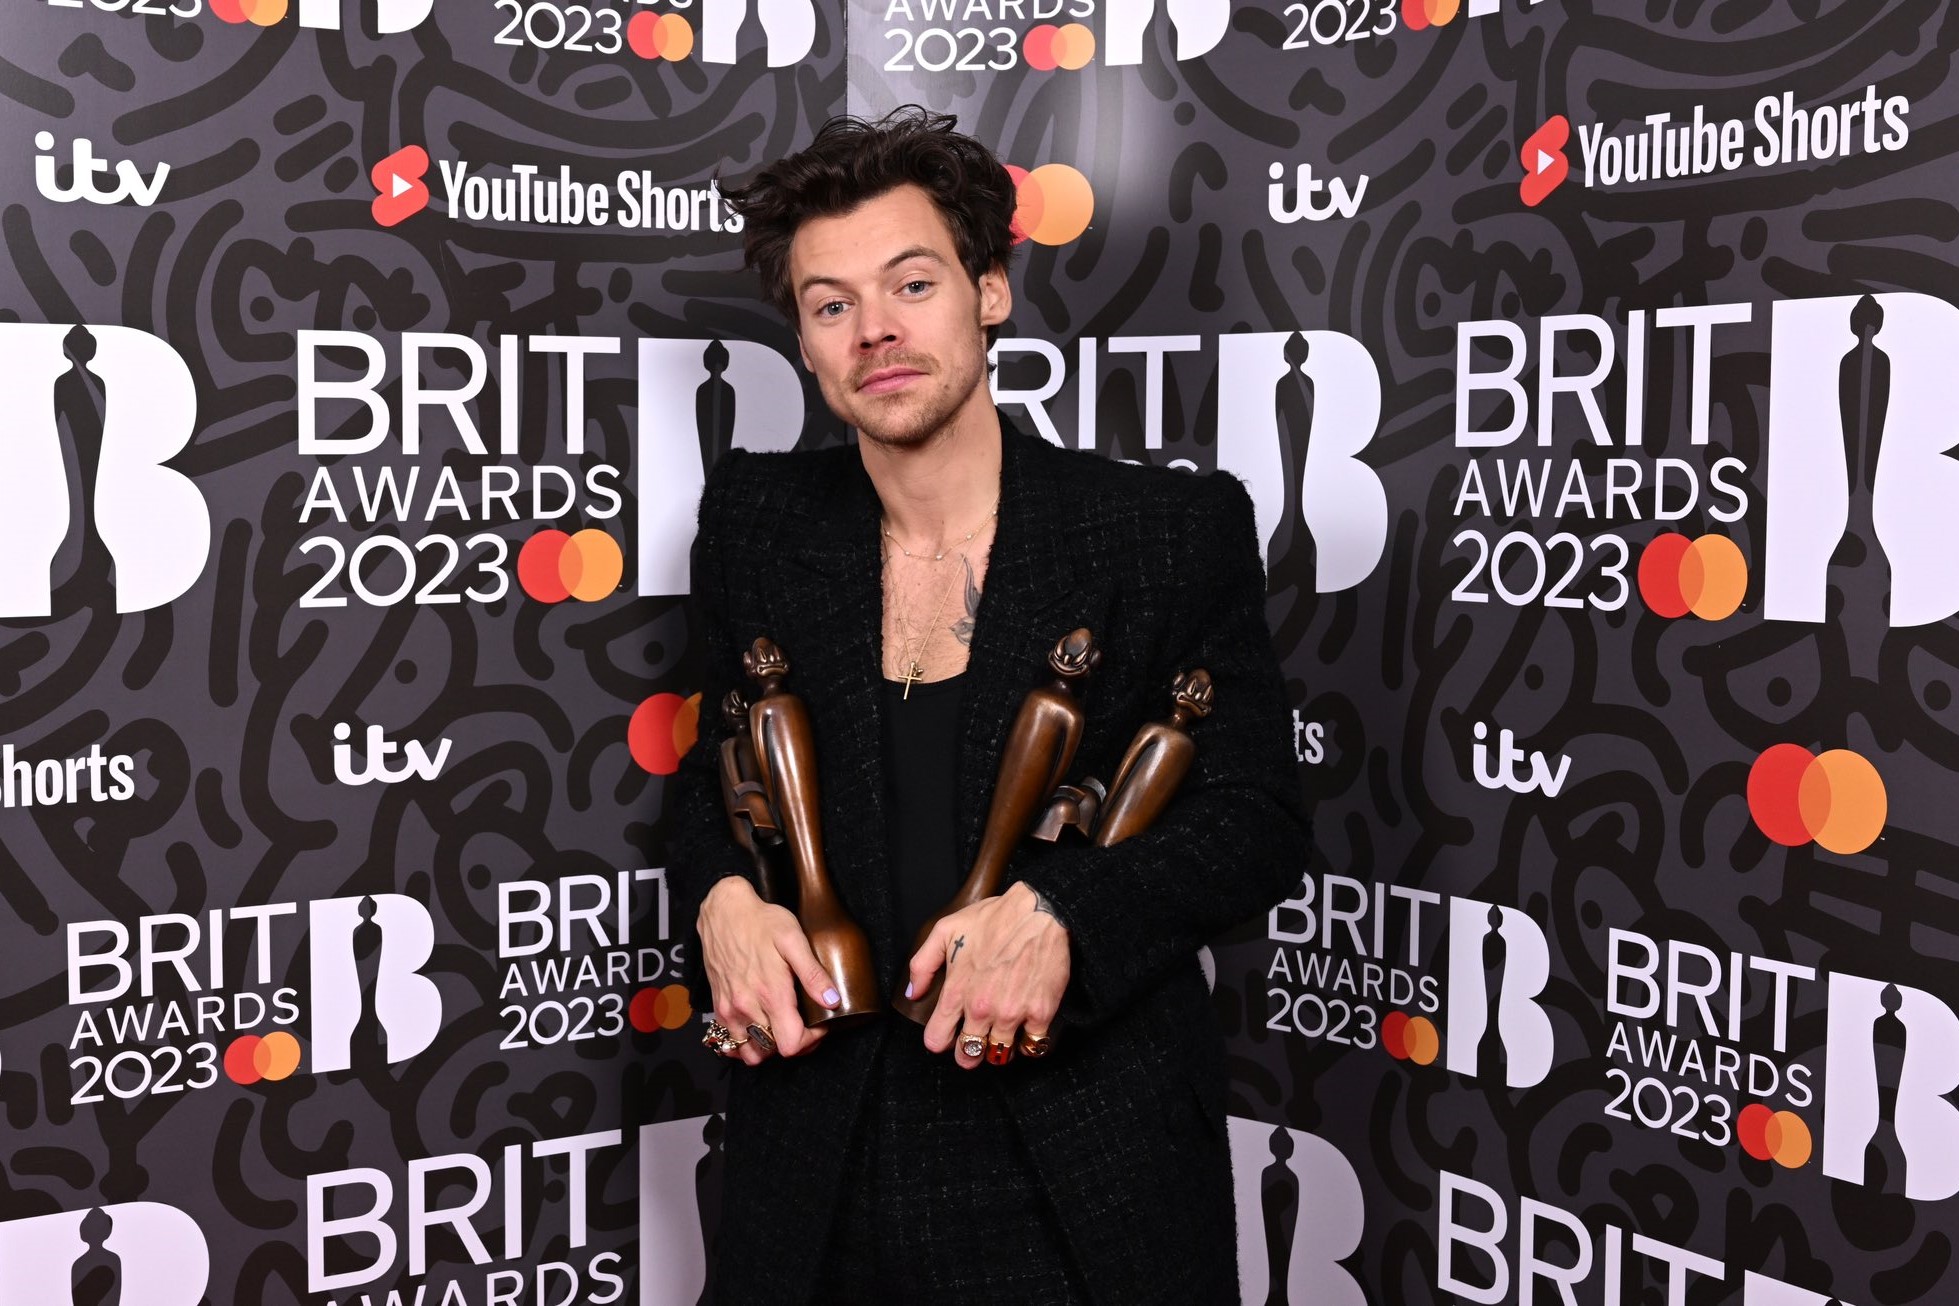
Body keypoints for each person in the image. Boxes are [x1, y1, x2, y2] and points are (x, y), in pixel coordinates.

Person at [666, 106, 1311, 1304]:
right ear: (805, 343)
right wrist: (719, 905)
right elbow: (714, 779)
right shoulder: (757, 520)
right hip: (811, 1167)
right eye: (831, 303)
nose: (877, 332)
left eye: (912, 282)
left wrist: (1068, 910)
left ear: (990, 293)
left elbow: (1258, 816)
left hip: (1081, 1166)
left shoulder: (1164, 533)